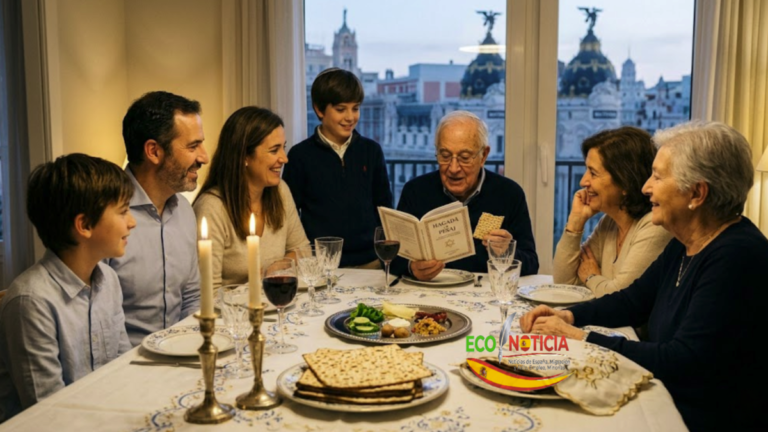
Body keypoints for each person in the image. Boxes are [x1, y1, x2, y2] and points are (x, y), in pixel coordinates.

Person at [520, 121, 766, 431]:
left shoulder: (736, 256)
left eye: (658, 177)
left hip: (701, 417)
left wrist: (582, 337)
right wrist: (567, 315)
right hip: (670, 394)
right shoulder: (686, 242)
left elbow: (683, 361)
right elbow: (632, 301)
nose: (646, 187)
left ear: (697, 193)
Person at [0, 154, 135, 422]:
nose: (132, 222)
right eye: (123, 211)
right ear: (84, 225)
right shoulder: (31, 302)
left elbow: (122, 369)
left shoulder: (108, 279)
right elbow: (47, 413)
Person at [391, 110, 538, 279]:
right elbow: (391, 258)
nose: (453, 168)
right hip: (430, 290)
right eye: (445, 156)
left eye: (465, 157)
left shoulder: (509, 194)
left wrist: (507, 252)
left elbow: (531, 264)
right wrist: (411, 267)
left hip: (485, 291)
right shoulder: (415, 191)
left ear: (483, 156)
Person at [109, 91, 207, 346]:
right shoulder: (106, 216)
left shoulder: (184, 210)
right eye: (193, 146)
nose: (204, 157)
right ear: (154, 151)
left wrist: (194, 347)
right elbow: (100, 322)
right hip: (127, 362)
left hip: (181, 352)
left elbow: (192, 297)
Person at [282, 68, 392, 268]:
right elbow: (289, 216)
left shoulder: (372, 150)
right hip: (319, 264)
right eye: (341, 109)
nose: (350, 117)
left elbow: (384, 208)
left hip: (371, 262)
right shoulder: (300, 156)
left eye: (355, 108)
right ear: (319, 110)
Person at [193, 106, 309, 288]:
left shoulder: (280, 191)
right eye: (274, 150)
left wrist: (276, 268)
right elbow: (208, 292)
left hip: (273, 299)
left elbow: (303, 251)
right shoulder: (212, 208)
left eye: (283, 148)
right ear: (244, 157)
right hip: (232, 306)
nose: (284, 158)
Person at [553, 127, 672, 297]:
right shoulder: (609, 222)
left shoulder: (655, 226)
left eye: (593, 173)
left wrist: (591, 277)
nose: (583, 181)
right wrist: (575, 222)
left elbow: (621, 298)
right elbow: (564, 283)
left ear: (624, 181)